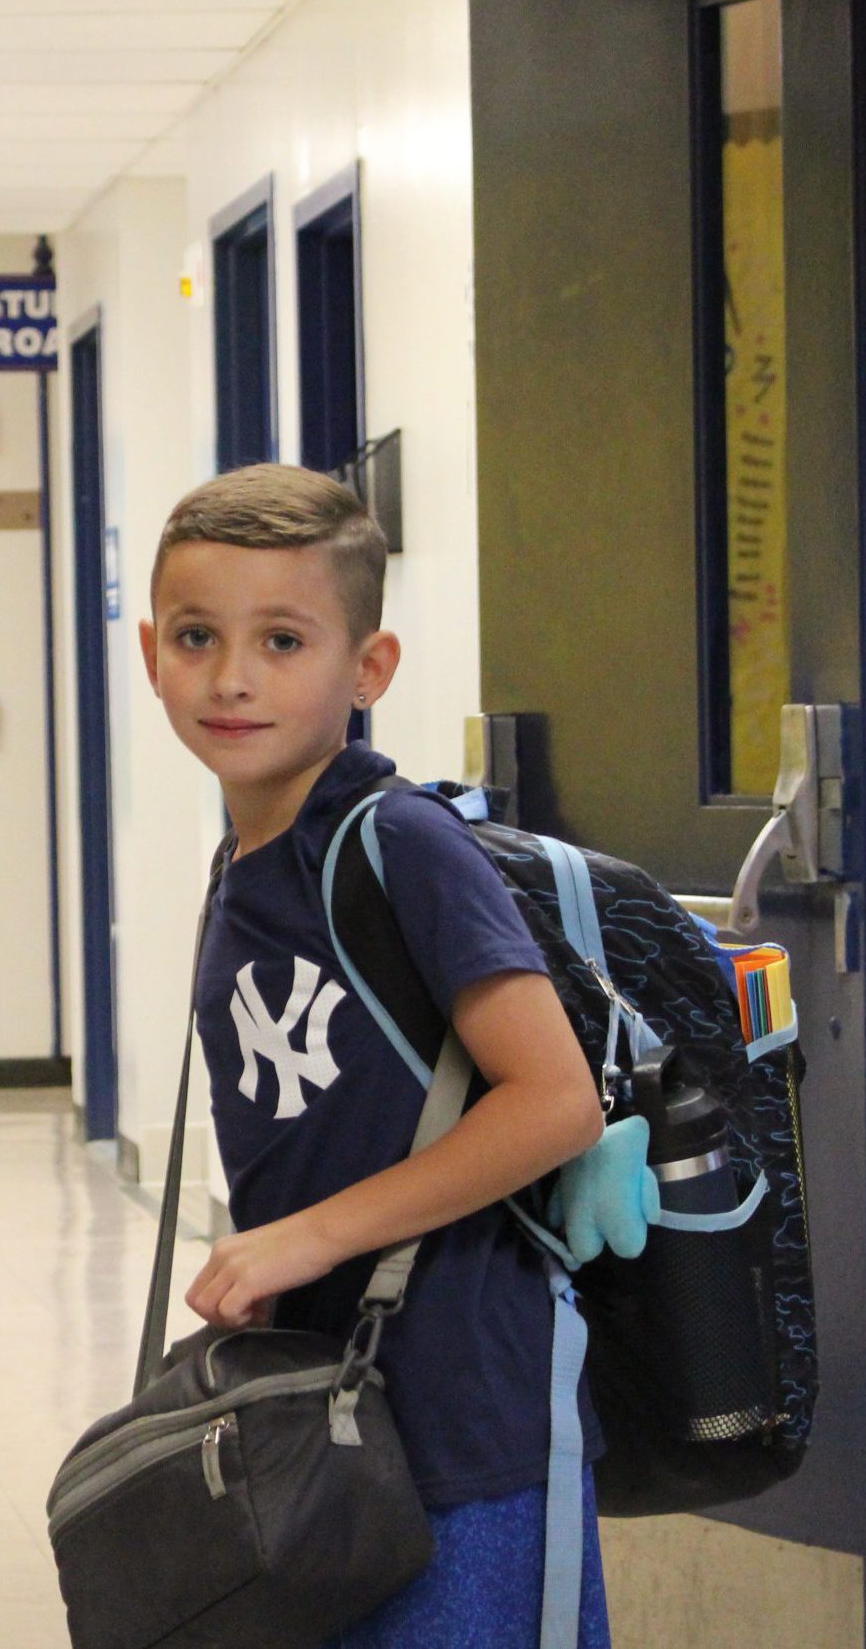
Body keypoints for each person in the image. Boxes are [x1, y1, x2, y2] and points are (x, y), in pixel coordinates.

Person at [137, 463, 615, 1648]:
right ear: (151, 650)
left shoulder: (398, 843)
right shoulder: (247, 861)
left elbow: (555, 1101)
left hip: (466, 1422)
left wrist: (309, 1235)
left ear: (369, 668)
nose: (232, 677)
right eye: (196, 637)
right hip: (328, 1421)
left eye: (283, 641)